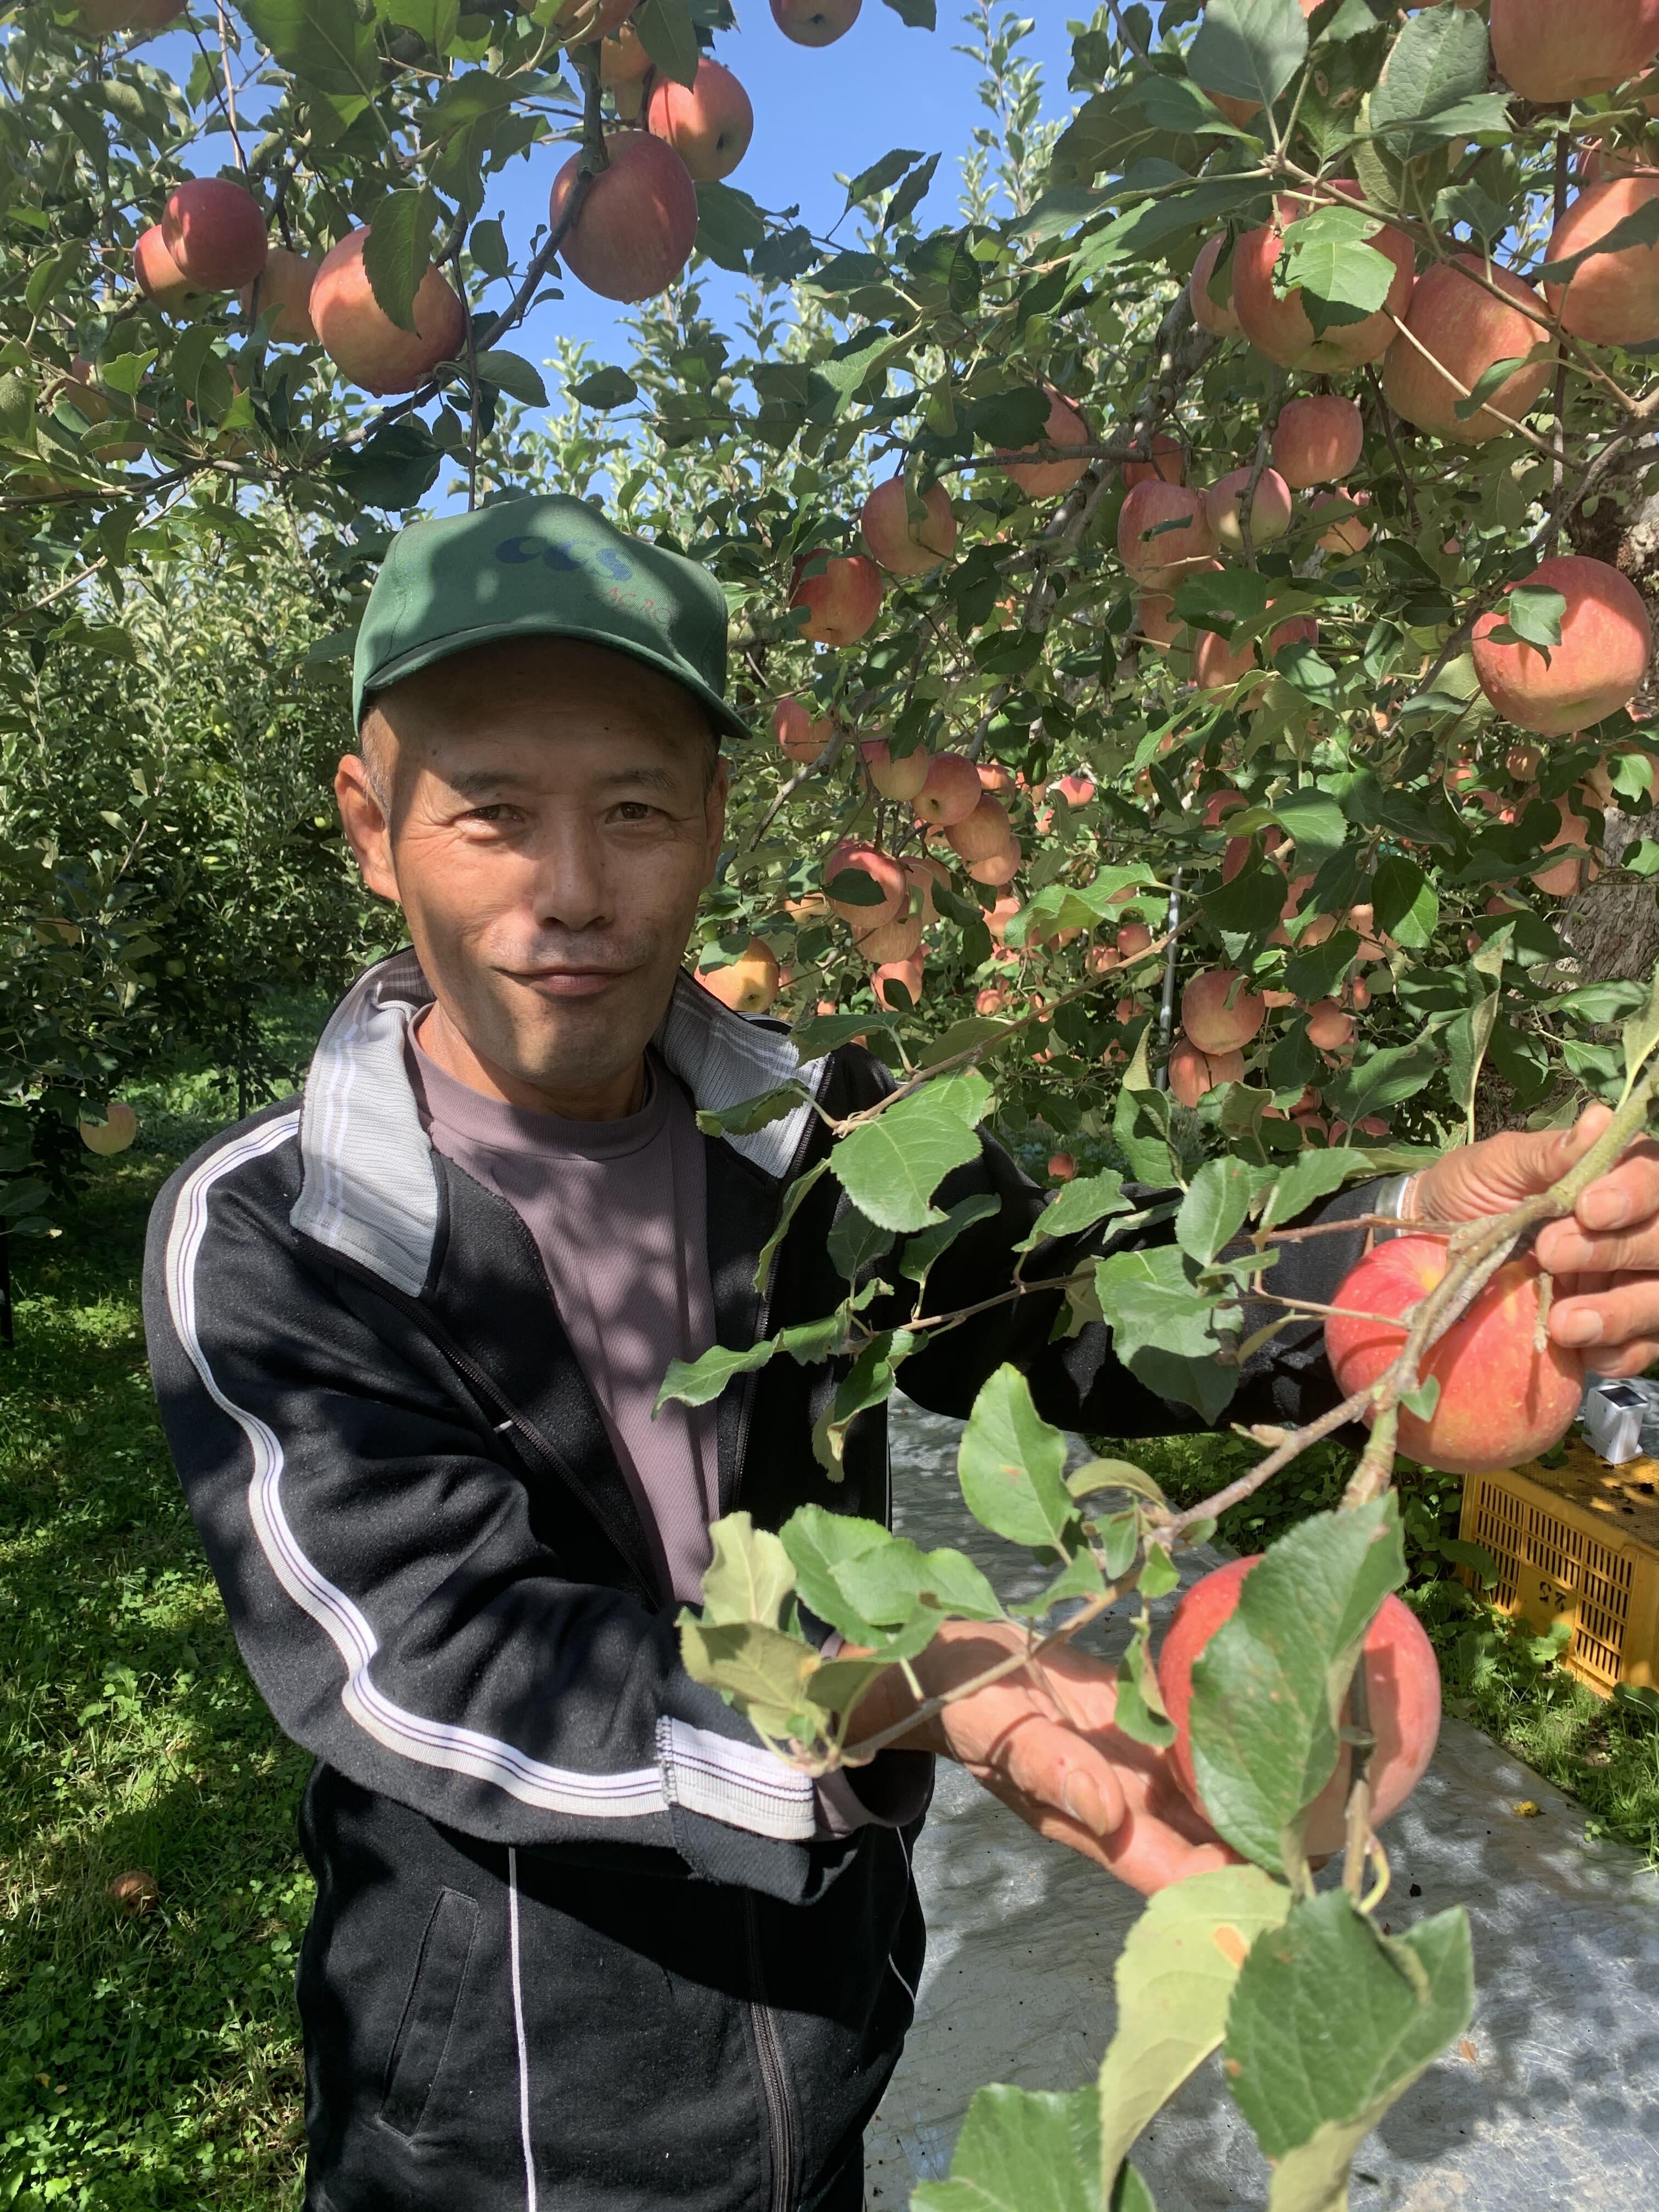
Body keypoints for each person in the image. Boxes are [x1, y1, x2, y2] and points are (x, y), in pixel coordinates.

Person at [143, 494, 1659, 2212]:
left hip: (827, 2029)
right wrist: (942, 1680)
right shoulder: (284, 1232)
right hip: (511, 2116)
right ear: (373, 824)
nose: (566, 890)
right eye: (491, 814)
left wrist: (1395, 1245)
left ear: (712, 821)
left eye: (633, 810)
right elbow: (444, 1667)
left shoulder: (815, 1127)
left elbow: (1062, 1300)